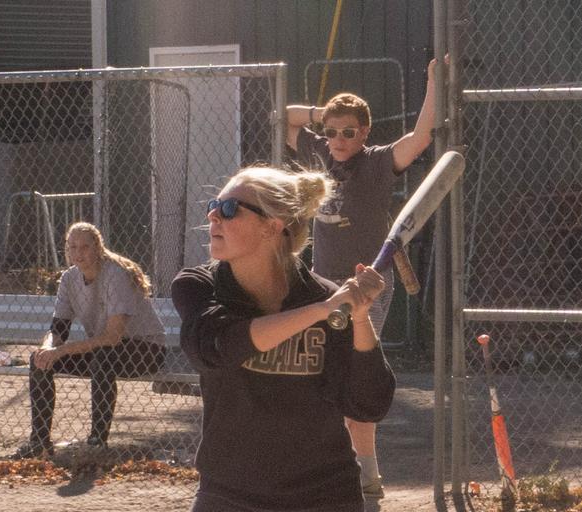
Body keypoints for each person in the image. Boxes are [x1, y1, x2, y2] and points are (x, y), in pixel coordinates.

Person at [171, 166, 395, 511]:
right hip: (229, 492)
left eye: (229, 209)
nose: (213, 216)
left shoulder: (323, 297)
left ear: (272, 227)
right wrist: (321, 311)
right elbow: (216, 348)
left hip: (323, 494)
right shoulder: (200, 286)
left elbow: (368, 404)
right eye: (214, 205)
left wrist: (361, 317)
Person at [285, 57, 441, 498]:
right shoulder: (319, 151)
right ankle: (336, 468)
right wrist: (321, 113)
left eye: (349, 132)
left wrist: (433, 81)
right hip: (322, 280)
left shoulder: (376, 162)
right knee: (322, 370)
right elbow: (283, 116)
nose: (339, 140)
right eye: (332, 131)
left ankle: (367, 472)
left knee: (357, 371)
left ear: (365, 133)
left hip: (367, 285)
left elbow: (421, 137)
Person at [12, 222, 166, 459]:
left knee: (102, 358)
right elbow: (58, 329)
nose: (78, 253)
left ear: (98, 248)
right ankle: (39, 443)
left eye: (85, 247)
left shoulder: (115, 274)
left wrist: (62, 351)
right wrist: (47, 348)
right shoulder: (69, 279)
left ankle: (96, 443)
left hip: (146, 349)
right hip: (105, 349)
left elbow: (113, 337)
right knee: (39, 360)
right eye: (72, 247)